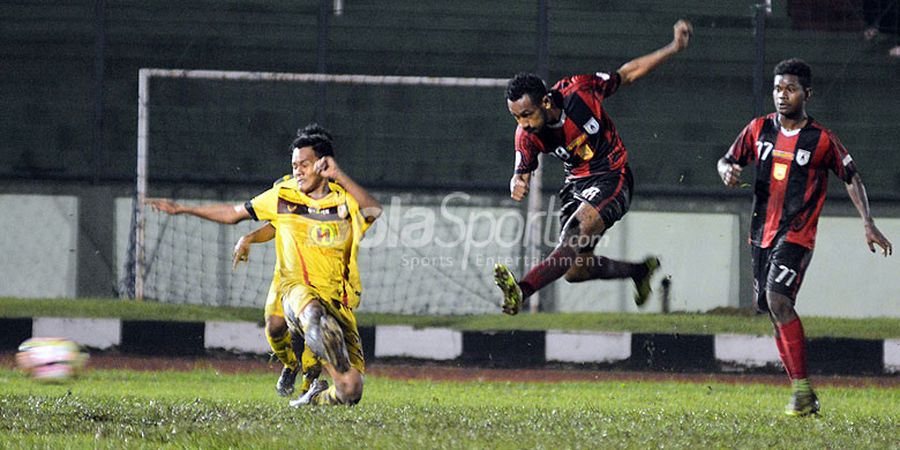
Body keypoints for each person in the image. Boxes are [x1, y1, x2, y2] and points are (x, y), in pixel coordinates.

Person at [147, 125, 382, 406]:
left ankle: (312, 398)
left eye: (304, 165)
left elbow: (373, 210)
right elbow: (235, 213)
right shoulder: (283, 195)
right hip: (297, 291)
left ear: (322, 165)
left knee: (351, 390)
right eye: (294, 165)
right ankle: (303, 367)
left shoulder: (344, 201)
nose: (297, 171)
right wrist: (182, 208)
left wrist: (340, 175)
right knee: (310, 316)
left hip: (339, 301)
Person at [717, 58, 892, 416]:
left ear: (806, 94)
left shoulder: (821, 139)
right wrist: (727, 171)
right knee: (771, 309)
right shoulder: (759, 129)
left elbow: (850, 175)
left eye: (791, 89)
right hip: (760, 235)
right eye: (778, 88)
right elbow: (727, 159)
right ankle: (804, 395)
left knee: (778, 300)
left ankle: (801, 390)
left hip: (797, 235)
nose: (783, 96)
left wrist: (868, 222)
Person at [493, 20, 693, 315]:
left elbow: (628, 73)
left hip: (614, 178)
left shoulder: (581, 92)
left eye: (527, 114)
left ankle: (521, 290)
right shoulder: (527, 134)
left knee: (571, 238)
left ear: (546, 102)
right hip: (577, 186)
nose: (523, 124)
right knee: (575, 271)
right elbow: (521, 170)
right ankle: (639, 271)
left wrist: (673, 47)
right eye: (516, 118)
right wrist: (517, 181)